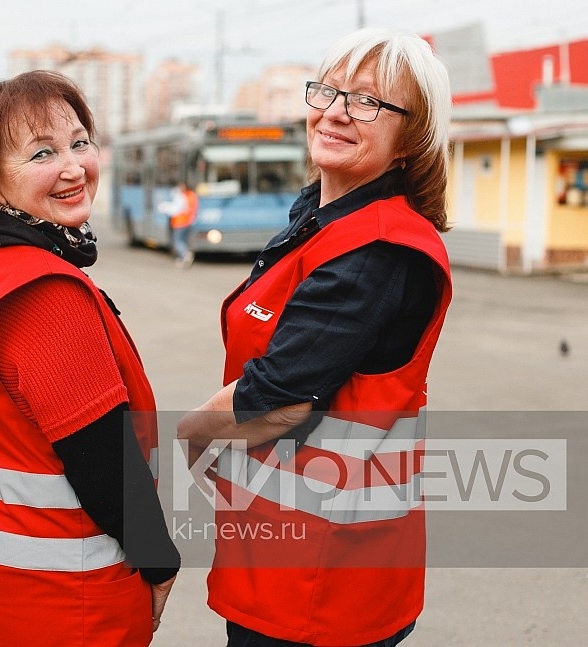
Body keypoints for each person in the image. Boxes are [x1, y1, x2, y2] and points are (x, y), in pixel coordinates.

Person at [178, 28, 453, 647]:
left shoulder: (375, 250)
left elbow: (280, 397)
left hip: (322, 581)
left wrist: (190, 434)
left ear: (412, 141)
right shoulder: (323, 220)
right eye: (328, 91)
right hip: (291, 554)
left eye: (367, 102)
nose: (334, 112)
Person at [0, 70, 179, 646]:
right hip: (59, 602)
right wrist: (158, 562)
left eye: (80, 142)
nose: (73, 168)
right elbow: (102, 460)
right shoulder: (42, 293)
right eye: (42, 153)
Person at [162, 180, 199, 267]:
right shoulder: (192, 195)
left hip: (180, 222)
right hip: (187, 222)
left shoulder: (183, 196)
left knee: (177, 241)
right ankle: (182, 258)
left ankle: (185, 254)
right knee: (183, 241)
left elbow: (177, 209)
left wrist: (165, 208)